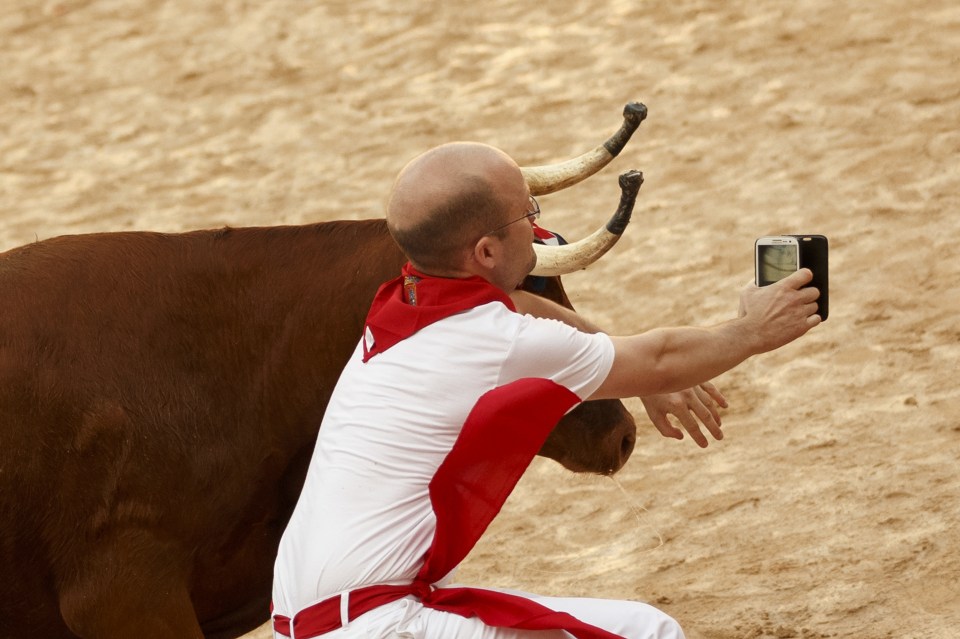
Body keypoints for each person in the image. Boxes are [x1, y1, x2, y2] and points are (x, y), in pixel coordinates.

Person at [270, 143, 821, 639]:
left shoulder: (402, 301)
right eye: (528, 214)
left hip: (314, 615)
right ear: (486, 252)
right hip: (379, 624)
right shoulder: (494, 341)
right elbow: (659, 358)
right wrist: (752, 332)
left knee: (641, 628)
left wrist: (635, 368)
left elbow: (523, 307)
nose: (537, 226)